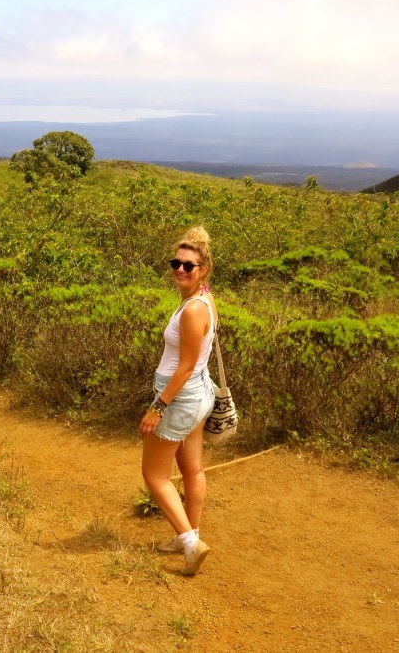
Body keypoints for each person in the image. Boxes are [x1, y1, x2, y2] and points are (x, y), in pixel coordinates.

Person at [139, 226, 217, 576]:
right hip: (199, 394)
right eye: (176, 263)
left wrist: (158, 407)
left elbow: (184, 367)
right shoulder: (204, 298)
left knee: (155, 475)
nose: (180, 270)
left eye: (189, 265)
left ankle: (189, 543)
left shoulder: (192, 310)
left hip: (180, 397)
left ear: (204, 269)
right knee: (191, 469)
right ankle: (189, 534)